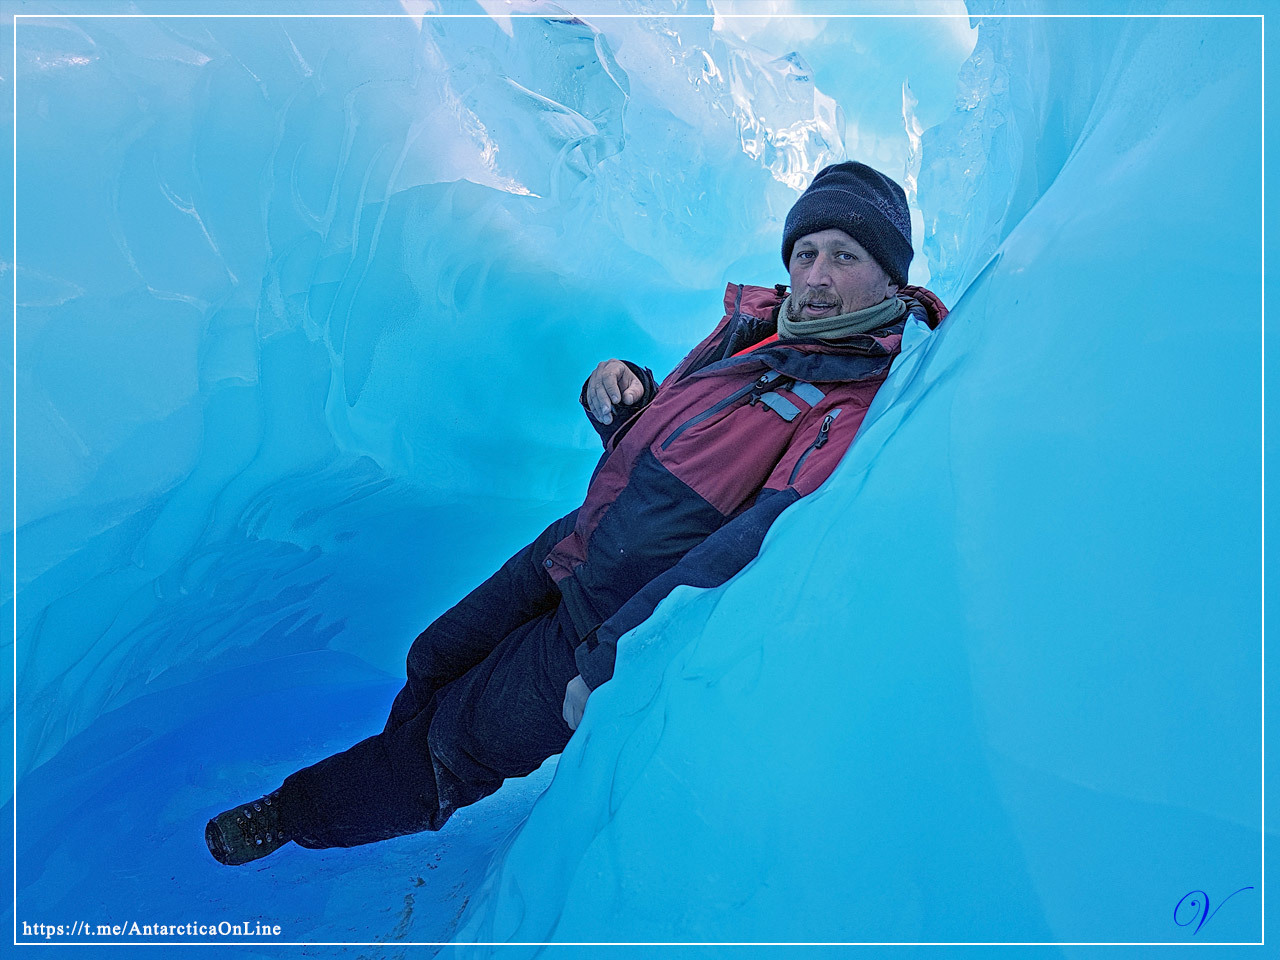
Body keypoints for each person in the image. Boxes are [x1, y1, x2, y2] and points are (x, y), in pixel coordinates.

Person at [205, 160, 948, 866]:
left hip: (602, 620)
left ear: (889, 274)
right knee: (435, 656)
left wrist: (611, 656)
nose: (816, 276)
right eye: (807, 250)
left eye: (845, 257)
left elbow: (747, 544)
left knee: (453, 749)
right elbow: (683, 447)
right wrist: (626, 397)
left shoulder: (848, 402)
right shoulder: (758, 329)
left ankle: (300, 814)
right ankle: (389, 774)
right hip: (572, 545)